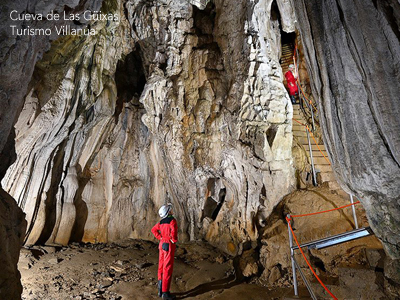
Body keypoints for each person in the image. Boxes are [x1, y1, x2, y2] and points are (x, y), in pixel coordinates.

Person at [151, 204, 178, 300]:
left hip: (161, 244)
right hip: (168, 245)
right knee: (167, 268)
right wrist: (173, 240)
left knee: (161, 266)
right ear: (168, 212)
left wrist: (160, 237)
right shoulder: (172, 221)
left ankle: (160, 290)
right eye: (170, 210)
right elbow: (174, 233)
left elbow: (153, 230)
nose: (171, 210)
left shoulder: (161, 222)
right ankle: (165, 293)